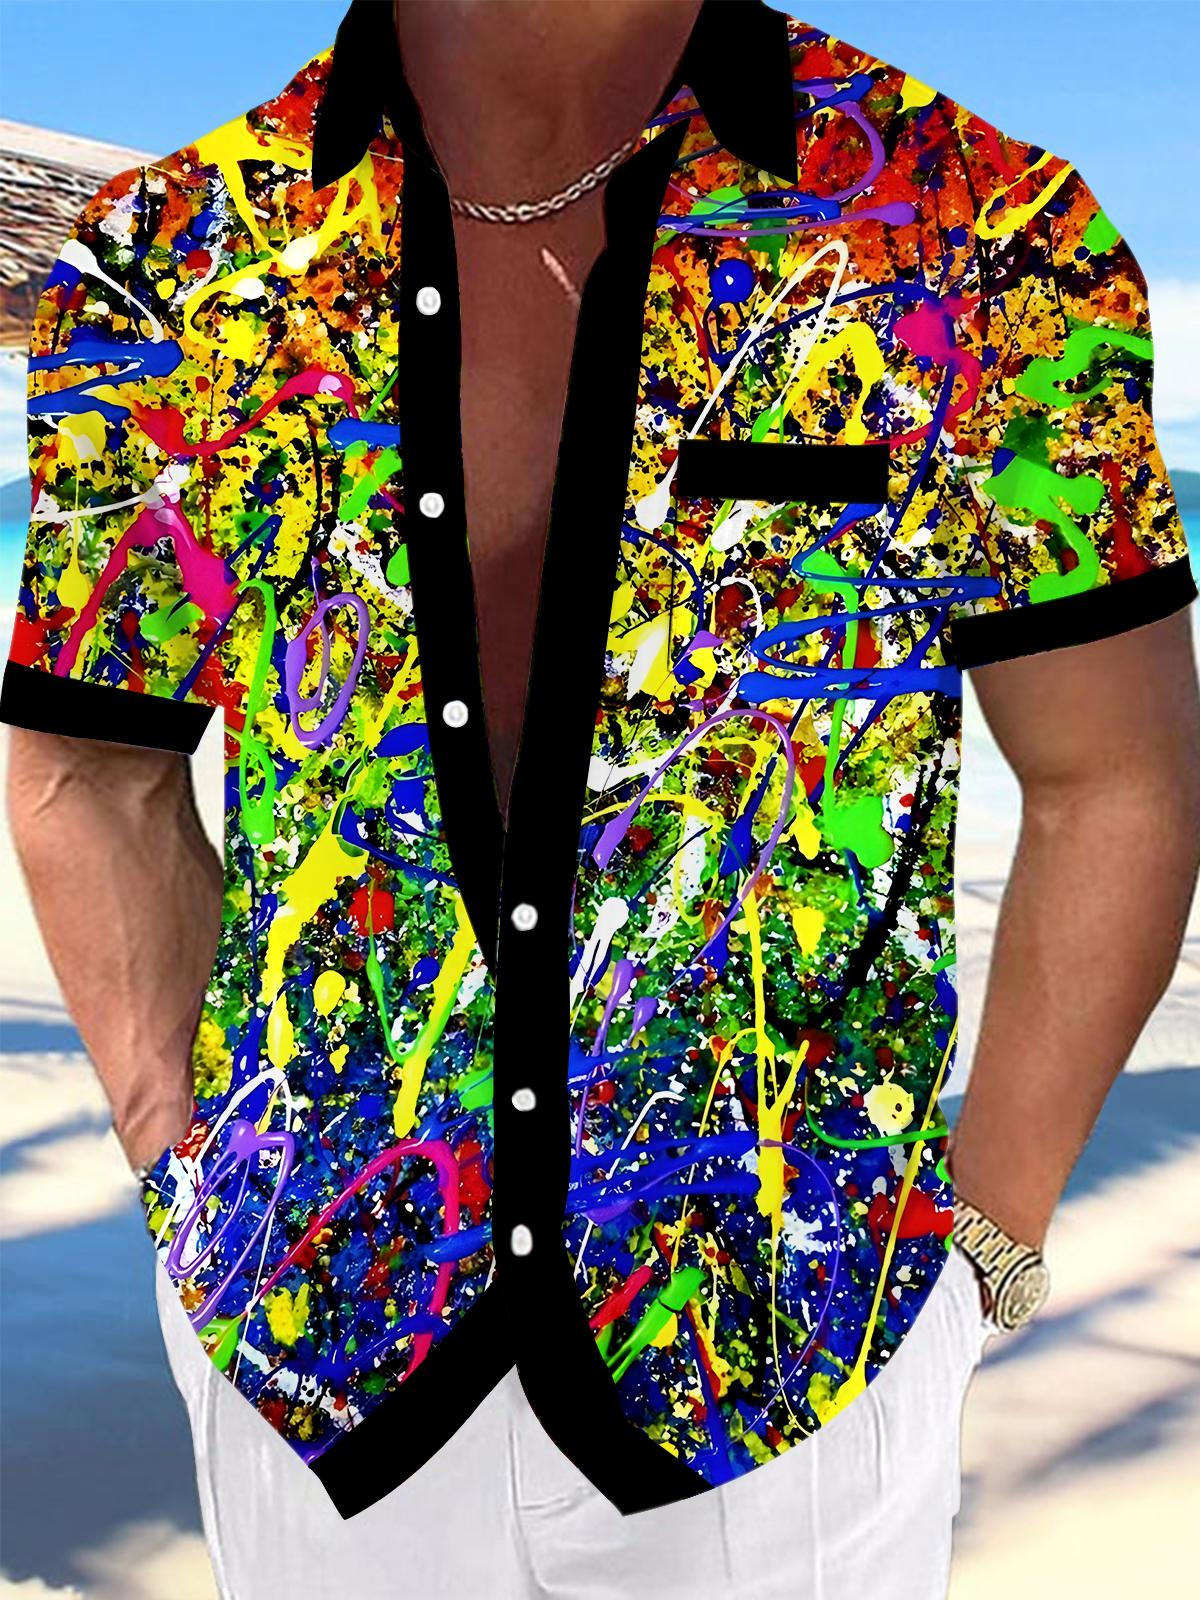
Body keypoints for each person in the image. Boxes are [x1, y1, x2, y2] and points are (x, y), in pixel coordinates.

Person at [5, 1, 1198, 1595]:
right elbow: (90, 763)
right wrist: (183, 1169)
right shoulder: (170, 262)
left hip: (793, 1351)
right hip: (302, 1338)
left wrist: (987, 1243)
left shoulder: (975, 222)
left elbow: (1115, 775)